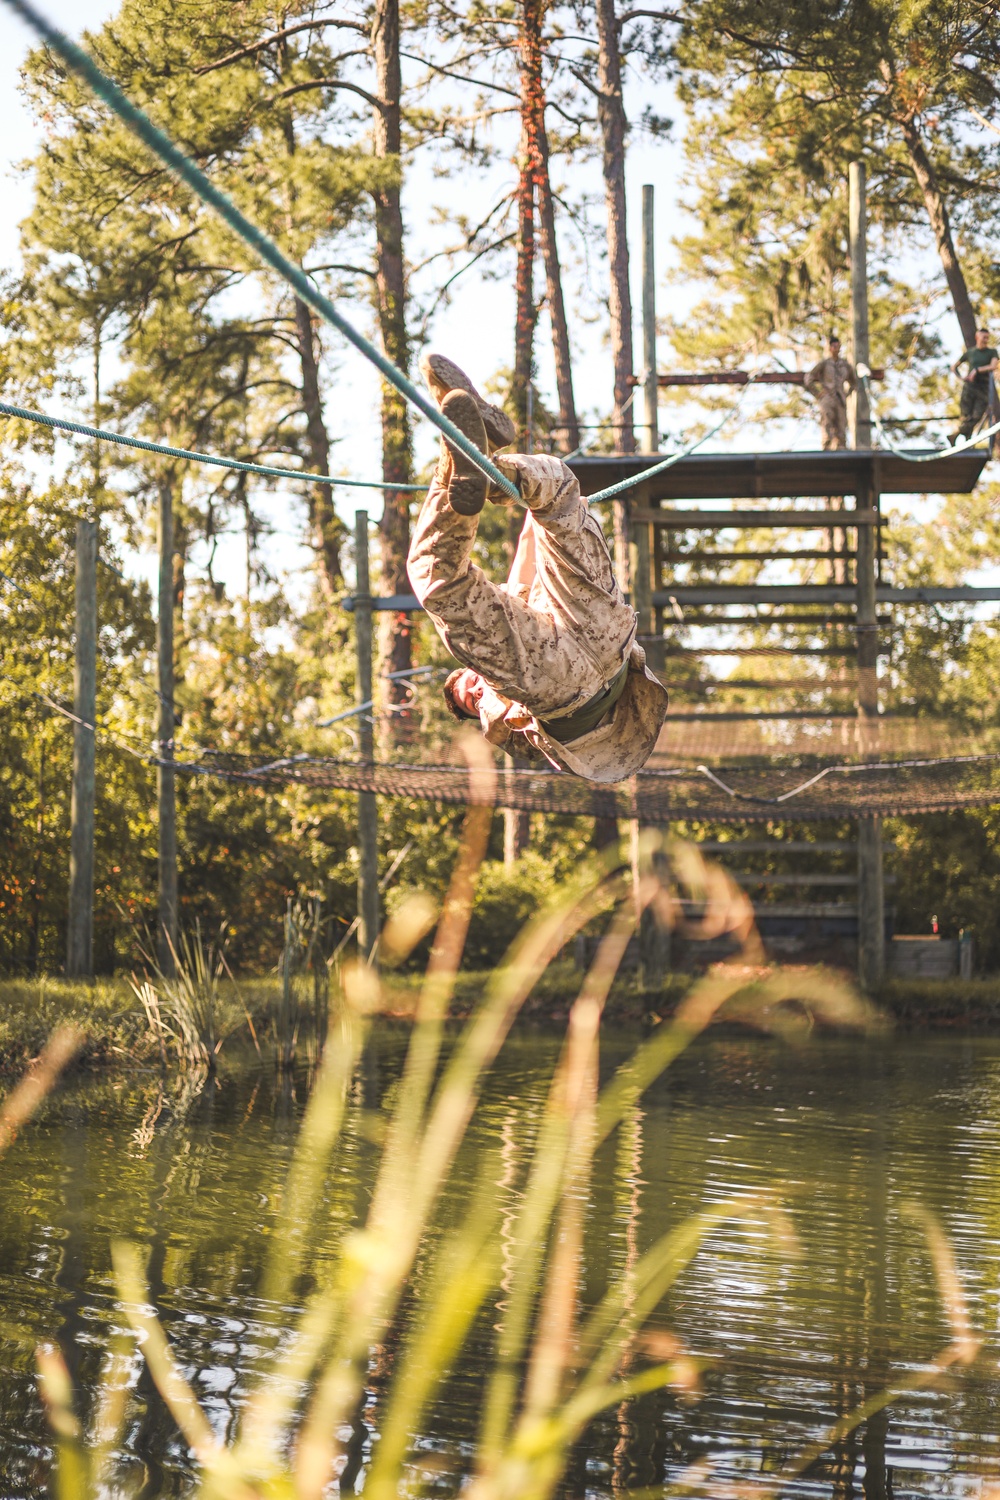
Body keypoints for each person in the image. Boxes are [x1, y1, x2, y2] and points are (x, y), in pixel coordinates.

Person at [406, 353, 669, 783]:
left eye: (467, 685)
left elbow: (531, 549)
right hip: (571, 684)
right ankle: (465, 458)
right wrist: (490, 700)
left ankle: (487, 466)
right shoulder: (501, 719)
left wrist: (517, 496)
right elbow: (519, 708)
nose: (473, 690)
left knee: (560, 497)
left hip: (598, 633)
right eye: (468, 700)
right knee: (438, 583)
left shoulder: (511, 633)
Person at [806, 335, 857, 450]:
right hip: (827, 396)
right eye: (834, 346)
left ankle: (841, 447)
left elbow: (854, 382)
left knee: (841, 423)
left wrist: (847, 394)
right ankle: (826, 447)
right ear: (830, 348)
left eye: (838, 346)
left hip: (840, 398)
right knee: (827, 422)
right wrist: (818, 393)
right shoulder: (824, 364)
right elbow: (809, 378)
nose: (836, 348)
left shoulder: (845, 365)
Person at [953, 328, 999, 442]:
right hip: (969, 387)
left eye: (987, 338)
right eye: (984, 337)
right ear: (977, 337)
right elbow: (954, 367)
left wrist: (977, 370)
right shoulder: (970, 352)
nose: (986, 340)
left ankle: (956, 434)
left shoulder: (992, 352)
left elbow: (993, 366)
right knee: (965, 415)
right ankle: (966, 438)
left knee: (977, 415)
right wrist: (961, 377)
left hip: (983, 388)